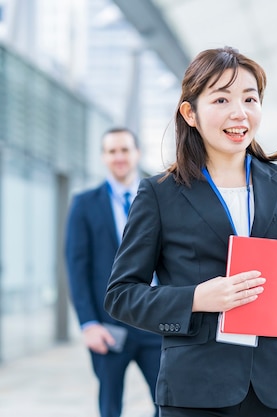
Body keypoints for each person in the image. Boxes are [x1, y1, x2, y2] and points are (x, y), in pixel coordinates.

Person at [103, 46, 277, 417]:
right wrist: (195, 298)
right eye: (221, 99)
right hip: (196, 390)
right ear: (190, 113)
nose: (239, 113)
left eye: (249, 98)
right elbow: (121, 295)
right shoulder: (160, 194)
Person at [64, 127, 162, 417]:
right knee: (110, 406)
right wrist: (88, 323)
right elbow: (76, 266)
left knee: (168, 402)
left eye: (125, 150)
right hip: (108, 326)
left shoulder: (159, 198)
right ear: (103, 157)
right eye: (112, 151)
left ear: (137, 154)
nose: (119, 157)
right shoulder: (84, 204)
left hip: (154, 321)